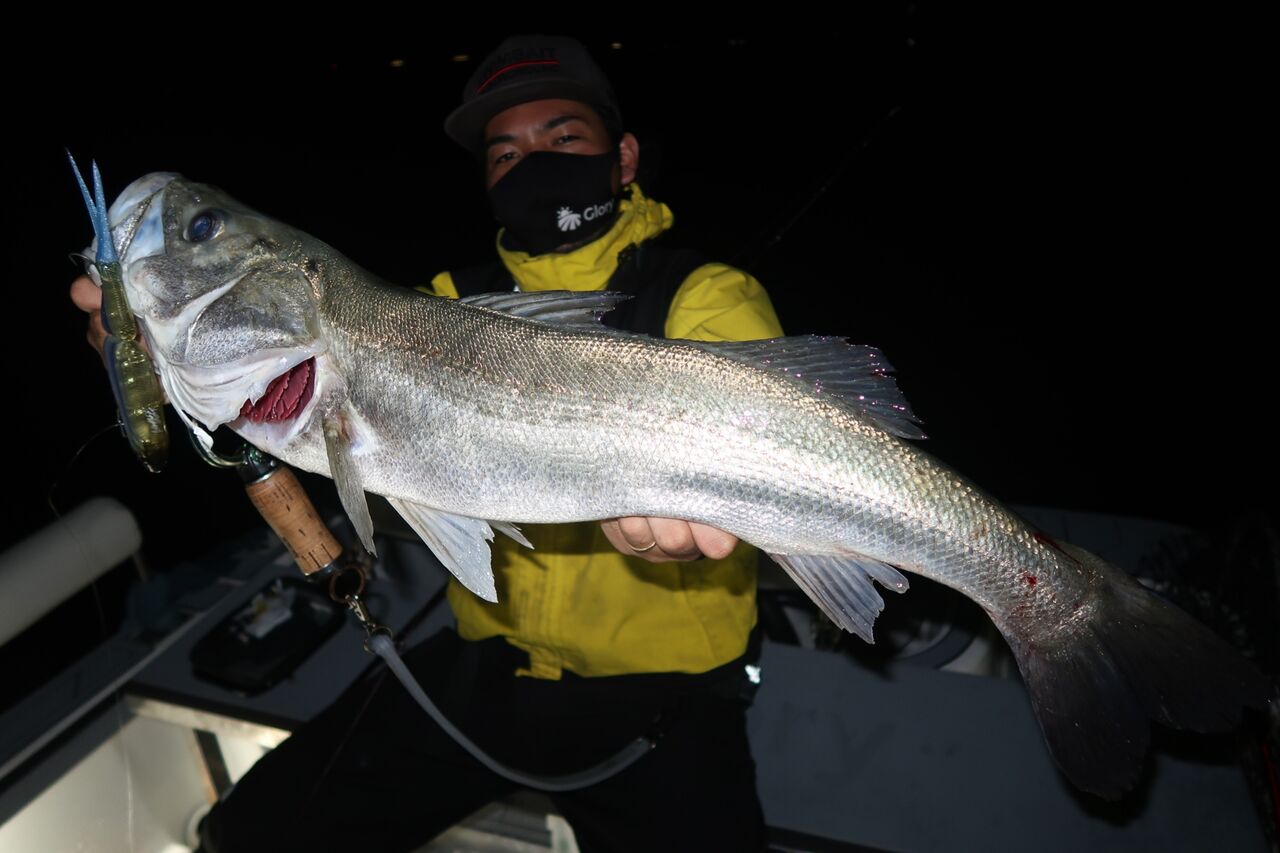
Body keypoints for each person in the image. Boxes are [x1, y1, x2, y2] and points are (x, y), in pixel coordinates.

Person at [71, 35, 783, 852]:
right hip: (489, 660)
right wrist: (171, 365)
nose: (533, 163)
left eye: (562, 137)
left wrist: (712, 523)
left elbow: (767, 464)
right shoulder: (444, 301)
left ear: (622, 157)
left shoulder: (705, 297)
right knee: (255, 830)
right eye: (505, 153)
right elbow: (316, 386)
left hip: (663, 692)